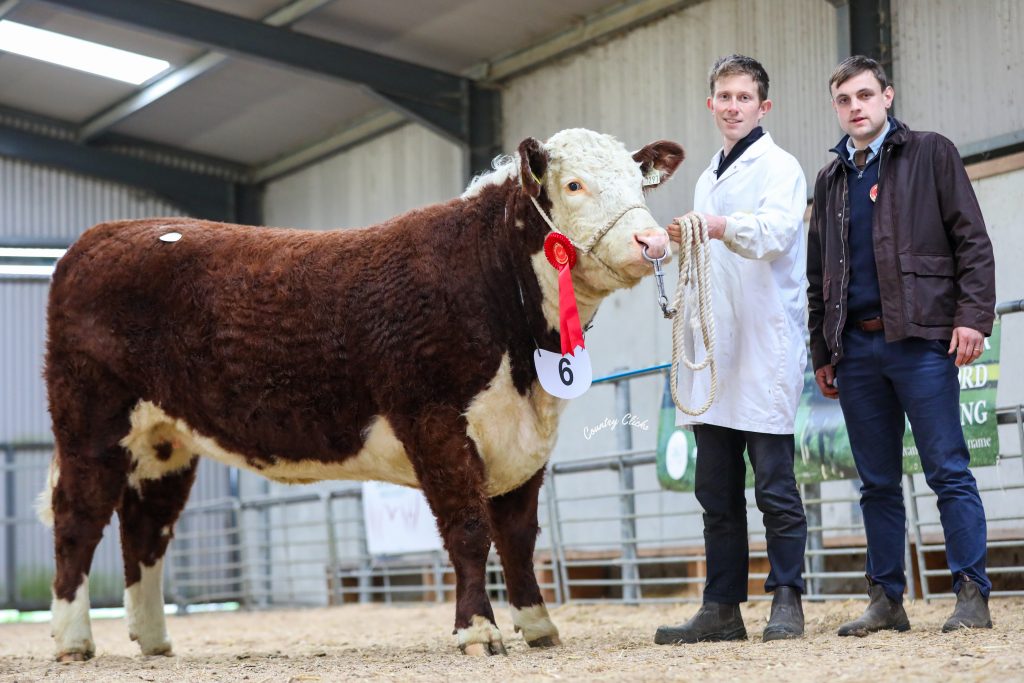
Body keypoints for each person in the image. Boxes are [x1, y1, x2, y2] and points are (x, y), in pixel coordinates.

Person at [806, 55, 996, 636]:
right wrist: (822, 351)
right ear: (837, 108)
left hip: (921, 340)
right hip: (856, 351)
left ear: (887, 97)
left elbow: (972, 241)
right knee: (877, 483)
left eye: (865, 95)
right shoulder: (831, 178)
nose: (855, 107)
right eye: (844, 100)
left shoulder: (931, 152)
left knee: (947, 470)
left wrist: (973, 318)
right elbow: (818, 276)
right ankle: (887, 598)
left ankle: (971, 592)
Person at [654, 54, 808, 644]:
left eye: (745, 97)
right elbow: (703, 252)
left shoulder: (781, 168)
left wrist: (716, 226)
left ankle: (787, 600)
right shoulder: (705, 175)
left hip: (763, 345)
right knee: (715, 492)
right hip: (714, 353)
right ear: (711, 104)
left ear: (763, 106)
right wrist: (665, 243)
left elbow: (774, 234)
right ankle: (722, 607)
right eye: (724, 96)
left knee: (774, 486)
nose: (734, 106)